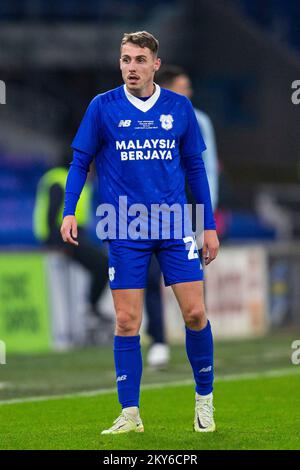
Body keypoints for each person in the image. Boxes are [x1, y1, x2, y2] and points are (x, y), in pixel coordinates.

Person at [60, 31, 219, 434]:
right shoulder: (102, 107)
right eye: (125, 60)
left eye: (139, 60)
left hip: (173, 223)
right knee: (127, 321)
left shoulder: (179, 108)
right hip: (123, 224)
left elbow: (196, 171)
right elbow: (80, 162)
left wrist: (208, 227)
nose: (131, 67)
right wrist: (69, 212)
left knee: (195, 313)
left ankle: (204, 401)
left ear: (155, 64)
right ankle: (130, 414)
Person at [145, 66, 220, 368]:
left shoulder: (199, 120)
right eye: (183, 87)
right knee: (150, 277)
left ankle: (198, 333)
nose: (188, 93)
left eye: (189, 87)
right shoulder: (144, 118)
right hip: (147, 212)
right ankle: (159, 340)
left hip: (188, 209)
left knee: (192, 286)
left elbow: (208, 167)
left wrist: (207, 220)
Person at [33, 162, 111, 344]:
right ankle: (91, 308)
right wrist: (56, 242)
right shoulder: (61, 179)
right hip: (61, 237)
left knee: (104, 263)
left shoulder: (81, 182)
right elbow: (51, 215)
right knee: (103, 264)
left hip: (75, 235)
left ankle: (91, 309)